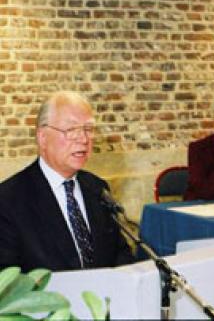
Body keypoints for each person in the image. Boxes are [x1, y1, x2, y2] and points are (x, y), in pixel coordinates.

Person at [0, 91, 133, 272]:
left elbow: (120, 253)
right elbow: (8, 280)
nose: (84, 139)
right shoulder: (9, 200)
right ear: (42, 137)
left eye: (88, 129)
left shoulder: (97, 188)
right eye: (71, 130)